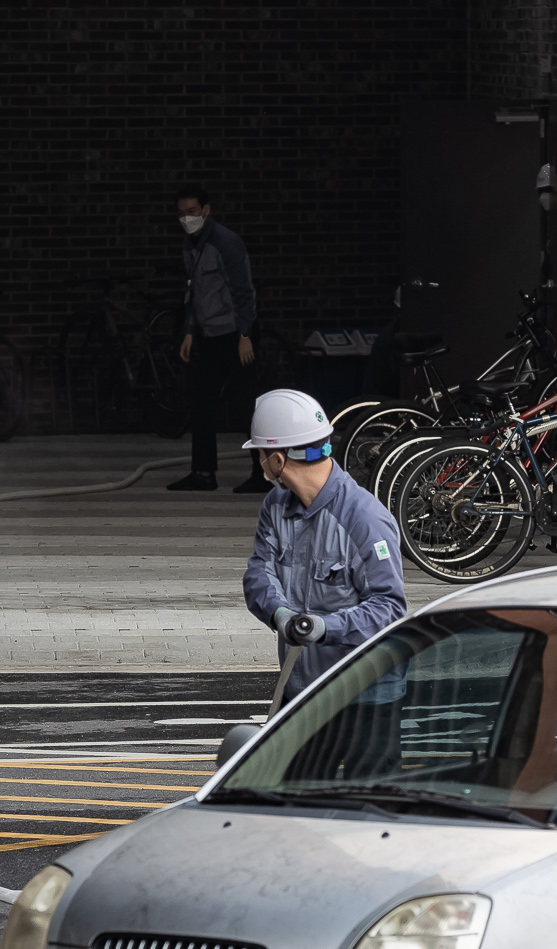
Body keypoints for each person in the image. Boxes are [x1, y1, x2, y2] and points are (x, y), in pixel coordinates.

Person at [241, 388, 407, 697]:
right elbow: (259, 572)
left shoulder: (364, 519)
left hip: (362, 699)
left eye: (260, 455)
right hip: (300, 692)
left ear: (277, 460)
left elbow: (390, 608)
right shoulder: (276, 505)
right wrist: (281, 615)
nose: (260, 463)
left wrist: (324, 628)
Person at [169, 185, 270, 493]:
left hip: (234, 335)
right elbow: (193, 292)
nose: (187, 218)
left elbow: (243, 291)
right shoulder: (192, 246)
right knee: (200, 402)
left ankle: (263, 473)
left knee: (246, 406)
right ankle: (202, 472)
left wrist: (244, 334)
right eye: (182, 213)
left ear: (206, 210)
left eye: (192, 212)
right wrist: (189, 330)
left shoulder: (225, 243)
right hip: (209, 335)